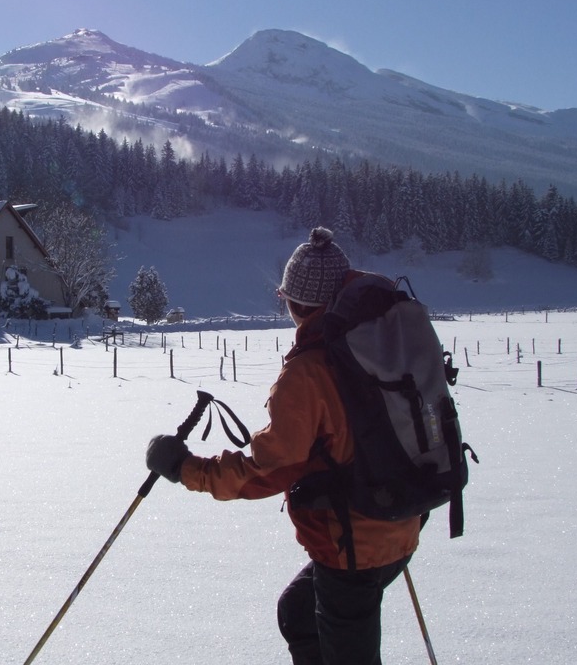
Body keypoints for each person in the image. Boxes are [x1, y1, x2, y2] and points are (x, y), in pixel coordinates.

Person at [145, 227, 420, 665]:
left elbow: (270, 468)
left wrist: (187, 470)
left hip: (354, 544)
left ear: (294, 303)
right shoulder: (384, 340)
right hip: (398, 521)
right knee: (298, 612)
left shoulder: (312, 370)